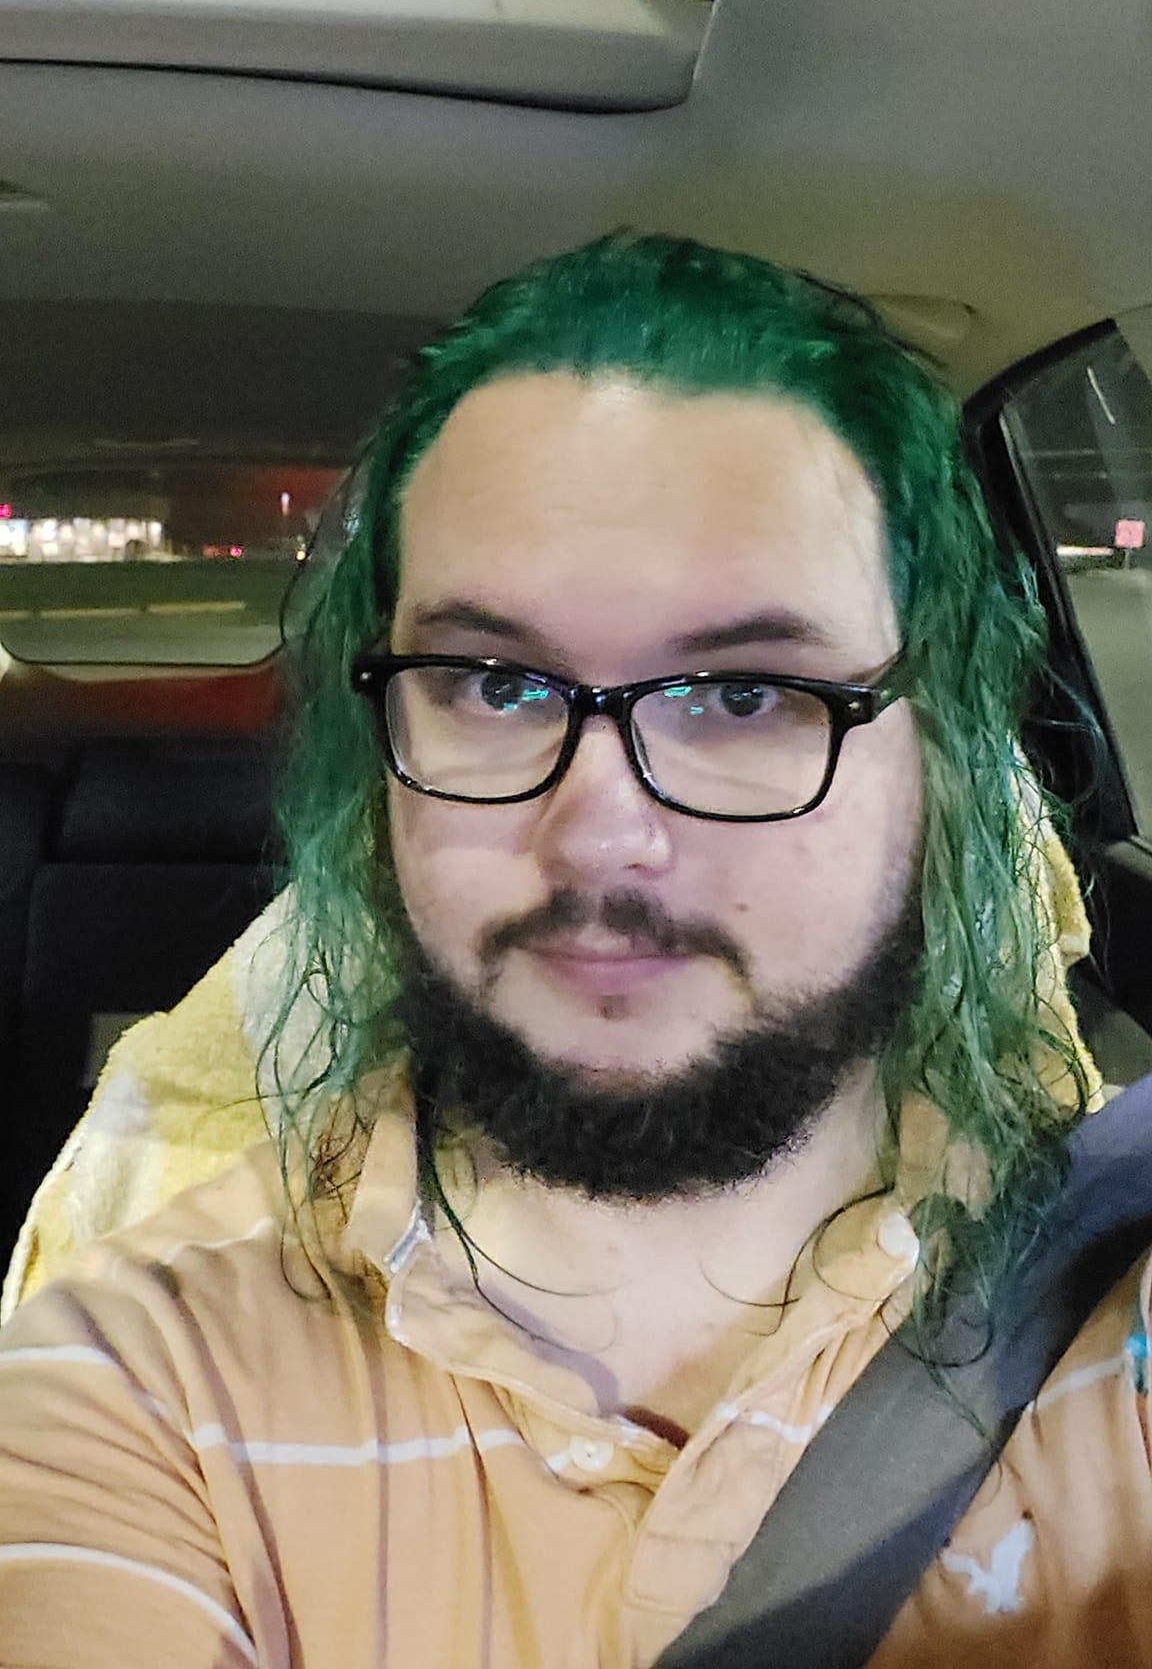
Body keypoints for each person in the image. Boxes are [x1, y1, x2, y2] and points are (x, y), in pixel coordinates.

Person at [0, 233, 1137, 1669]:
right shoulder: (132, 1387)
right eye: (495, 683)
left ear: (946, 764)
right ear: (384, 766)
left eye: (743, 692)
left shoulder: (1120, 1320)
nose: (599, 838)